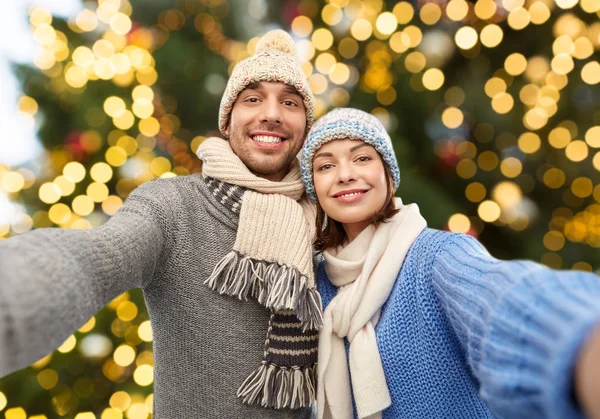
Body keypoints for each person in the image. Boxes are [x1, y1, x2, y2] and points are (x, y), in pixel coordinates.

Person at [0, 30, 323, 418]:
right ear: (227, 120)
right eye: (252, 98)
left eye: (289, 102)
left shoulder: (326, 221)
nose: (271, 113)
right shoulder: (172, 207)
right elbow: (95, 259)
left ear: (305, 125)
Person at [300, 107, 600, 419]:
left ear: (387, 172)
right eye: (326, 166)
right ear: (314, 188)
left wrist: (579, 336)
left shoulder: (437, 256)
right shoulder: (315, 282)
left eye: (362, 158)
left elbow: (501, 300)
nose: (345, 174)